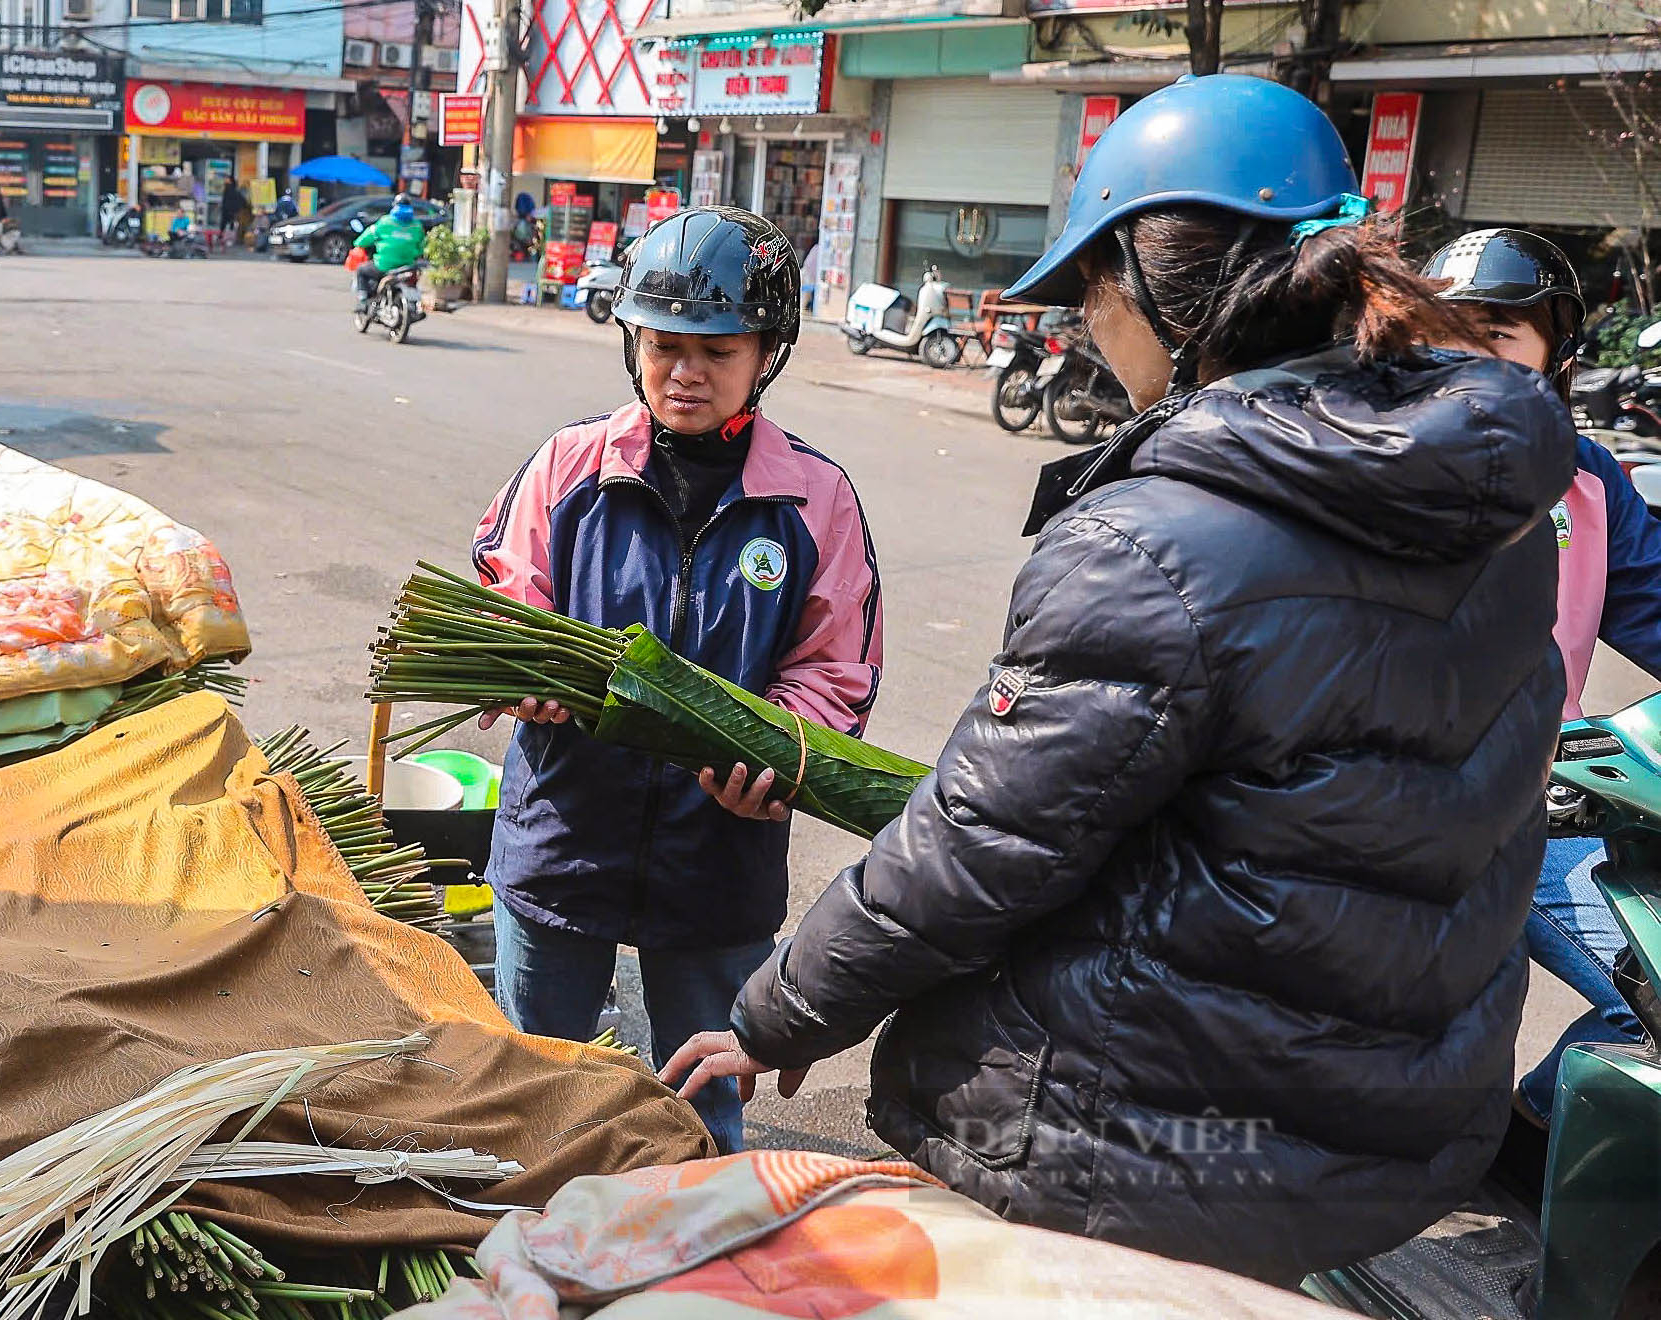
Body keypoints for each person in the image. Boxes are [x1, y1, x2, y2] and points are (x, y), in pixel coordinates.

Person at [662, 74, 1573, 1283]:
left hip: (1157, 1140)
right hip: (1390, 1115)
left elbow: (978, 844)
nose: (1087, 326)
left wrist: (772, 1014)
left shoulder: (1155, 543)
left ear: (1151, 288)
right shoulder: (1501, 506)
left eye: (1090, 291)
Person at [474, 206, 883, 1153]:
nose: (684, 372)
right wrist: (526, 665)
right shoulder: (571, 466)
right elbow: (509, 590)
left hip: (719, 863)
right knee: (533, 1100)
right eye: (661, 346)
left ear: (765, 354)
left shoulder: (813, 499)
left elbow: (836, 668)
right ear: (632, 345)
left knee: (700, 1112)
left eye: (716, 349)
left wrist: (776, 754)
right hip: (561, 845)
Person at [1423, 228, 1656, 1141]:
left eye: (1498, 335)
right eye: (1448, 333)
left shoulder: (1586, 481)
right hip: (1371, 824)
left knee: (1648, 1005)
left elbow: (1652, 598)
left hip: (1534, 814)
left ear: (1553, 354)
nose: (1467, 359)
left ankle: (1531, 1143)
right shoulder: (1351, 467)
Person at [352, 196, 426, 304]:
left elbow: (367, 237)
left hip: (384, 265)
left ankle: (363, 301)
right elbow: (421, 248)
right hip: (407, 266)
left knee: (361, 270)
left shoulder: (385, 222)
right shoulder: (417, 226)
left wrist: (358, 244)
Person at [220, 177, 248, 245]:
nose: (225, 181)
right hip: (232, 211)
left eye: (227, 180)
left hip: (228, 211)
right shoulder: (233, 190)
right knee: (231, 225)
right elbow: (242, 201)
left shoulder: (228, 189)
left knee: (226, 225)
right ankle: (228, 239)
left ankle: (224, 238)